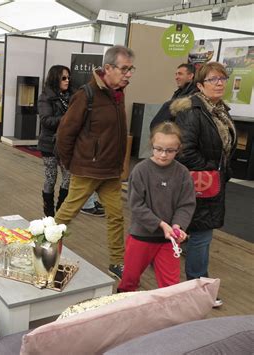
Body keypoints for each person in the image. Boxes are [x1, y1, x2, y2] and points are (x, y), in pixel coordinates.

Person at [54, 45, 135, 280]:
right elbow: (65, 133)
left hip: (110, 171)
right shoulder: (86, 94)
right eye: (125, 69)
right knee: (67, 214)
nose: (129, 74)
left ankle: (117, 262)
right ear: (108, 68)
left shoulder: (118, 94)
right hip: (88, 170)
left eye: (131, 69)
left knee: (116, 216)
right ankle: (45, 250)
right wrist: (72, 163)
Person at [171, 62, 237, 308]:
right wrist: (214, 168)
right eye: (213, 79)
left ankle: (193, 285)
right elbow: (184, 151)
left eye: (222, 78)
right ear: (199, 85)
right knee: (201, 235)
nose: (220, 83)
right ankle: (198, 288)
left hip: (211, 182)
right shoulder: (193, 111)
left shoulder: (219, 110)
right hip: (198, 183)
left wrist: (221, 170)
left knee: (197, 234)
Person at [118, 122, 196, 292]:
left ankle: (168, 317)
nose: (163, 155)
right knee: (129, 281)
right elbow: (137, 205)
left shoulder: (182, 173)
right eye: (158, 148)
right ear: (151, 145)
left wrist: (177, 225)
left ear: (178, 149)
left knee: (170, 287)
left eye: (170, 151)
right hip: (141, 236)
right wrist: (161, 224)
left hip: (168, 240)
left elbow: (186, 204)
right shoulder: (140, 170)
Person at [37, 65, 104, 217]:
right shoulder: (45, 97)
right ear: (55, 79)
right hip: (49, 144)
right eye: (63, 78)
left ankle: (60, 211)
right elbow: (46, 120)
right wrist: (69, 119)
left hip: (67, 144)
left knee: (68, 178)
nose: (67, 81)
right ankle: (48, 214)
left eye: (68, 77)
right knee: (51, 178)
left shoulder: (74, 95)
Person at [150, 63, 197, 129]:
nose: (176, 77)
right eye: (176, 74)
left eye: (180, 74)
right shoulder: (179, 93)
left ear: (190, 76)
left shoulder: (193, 96)